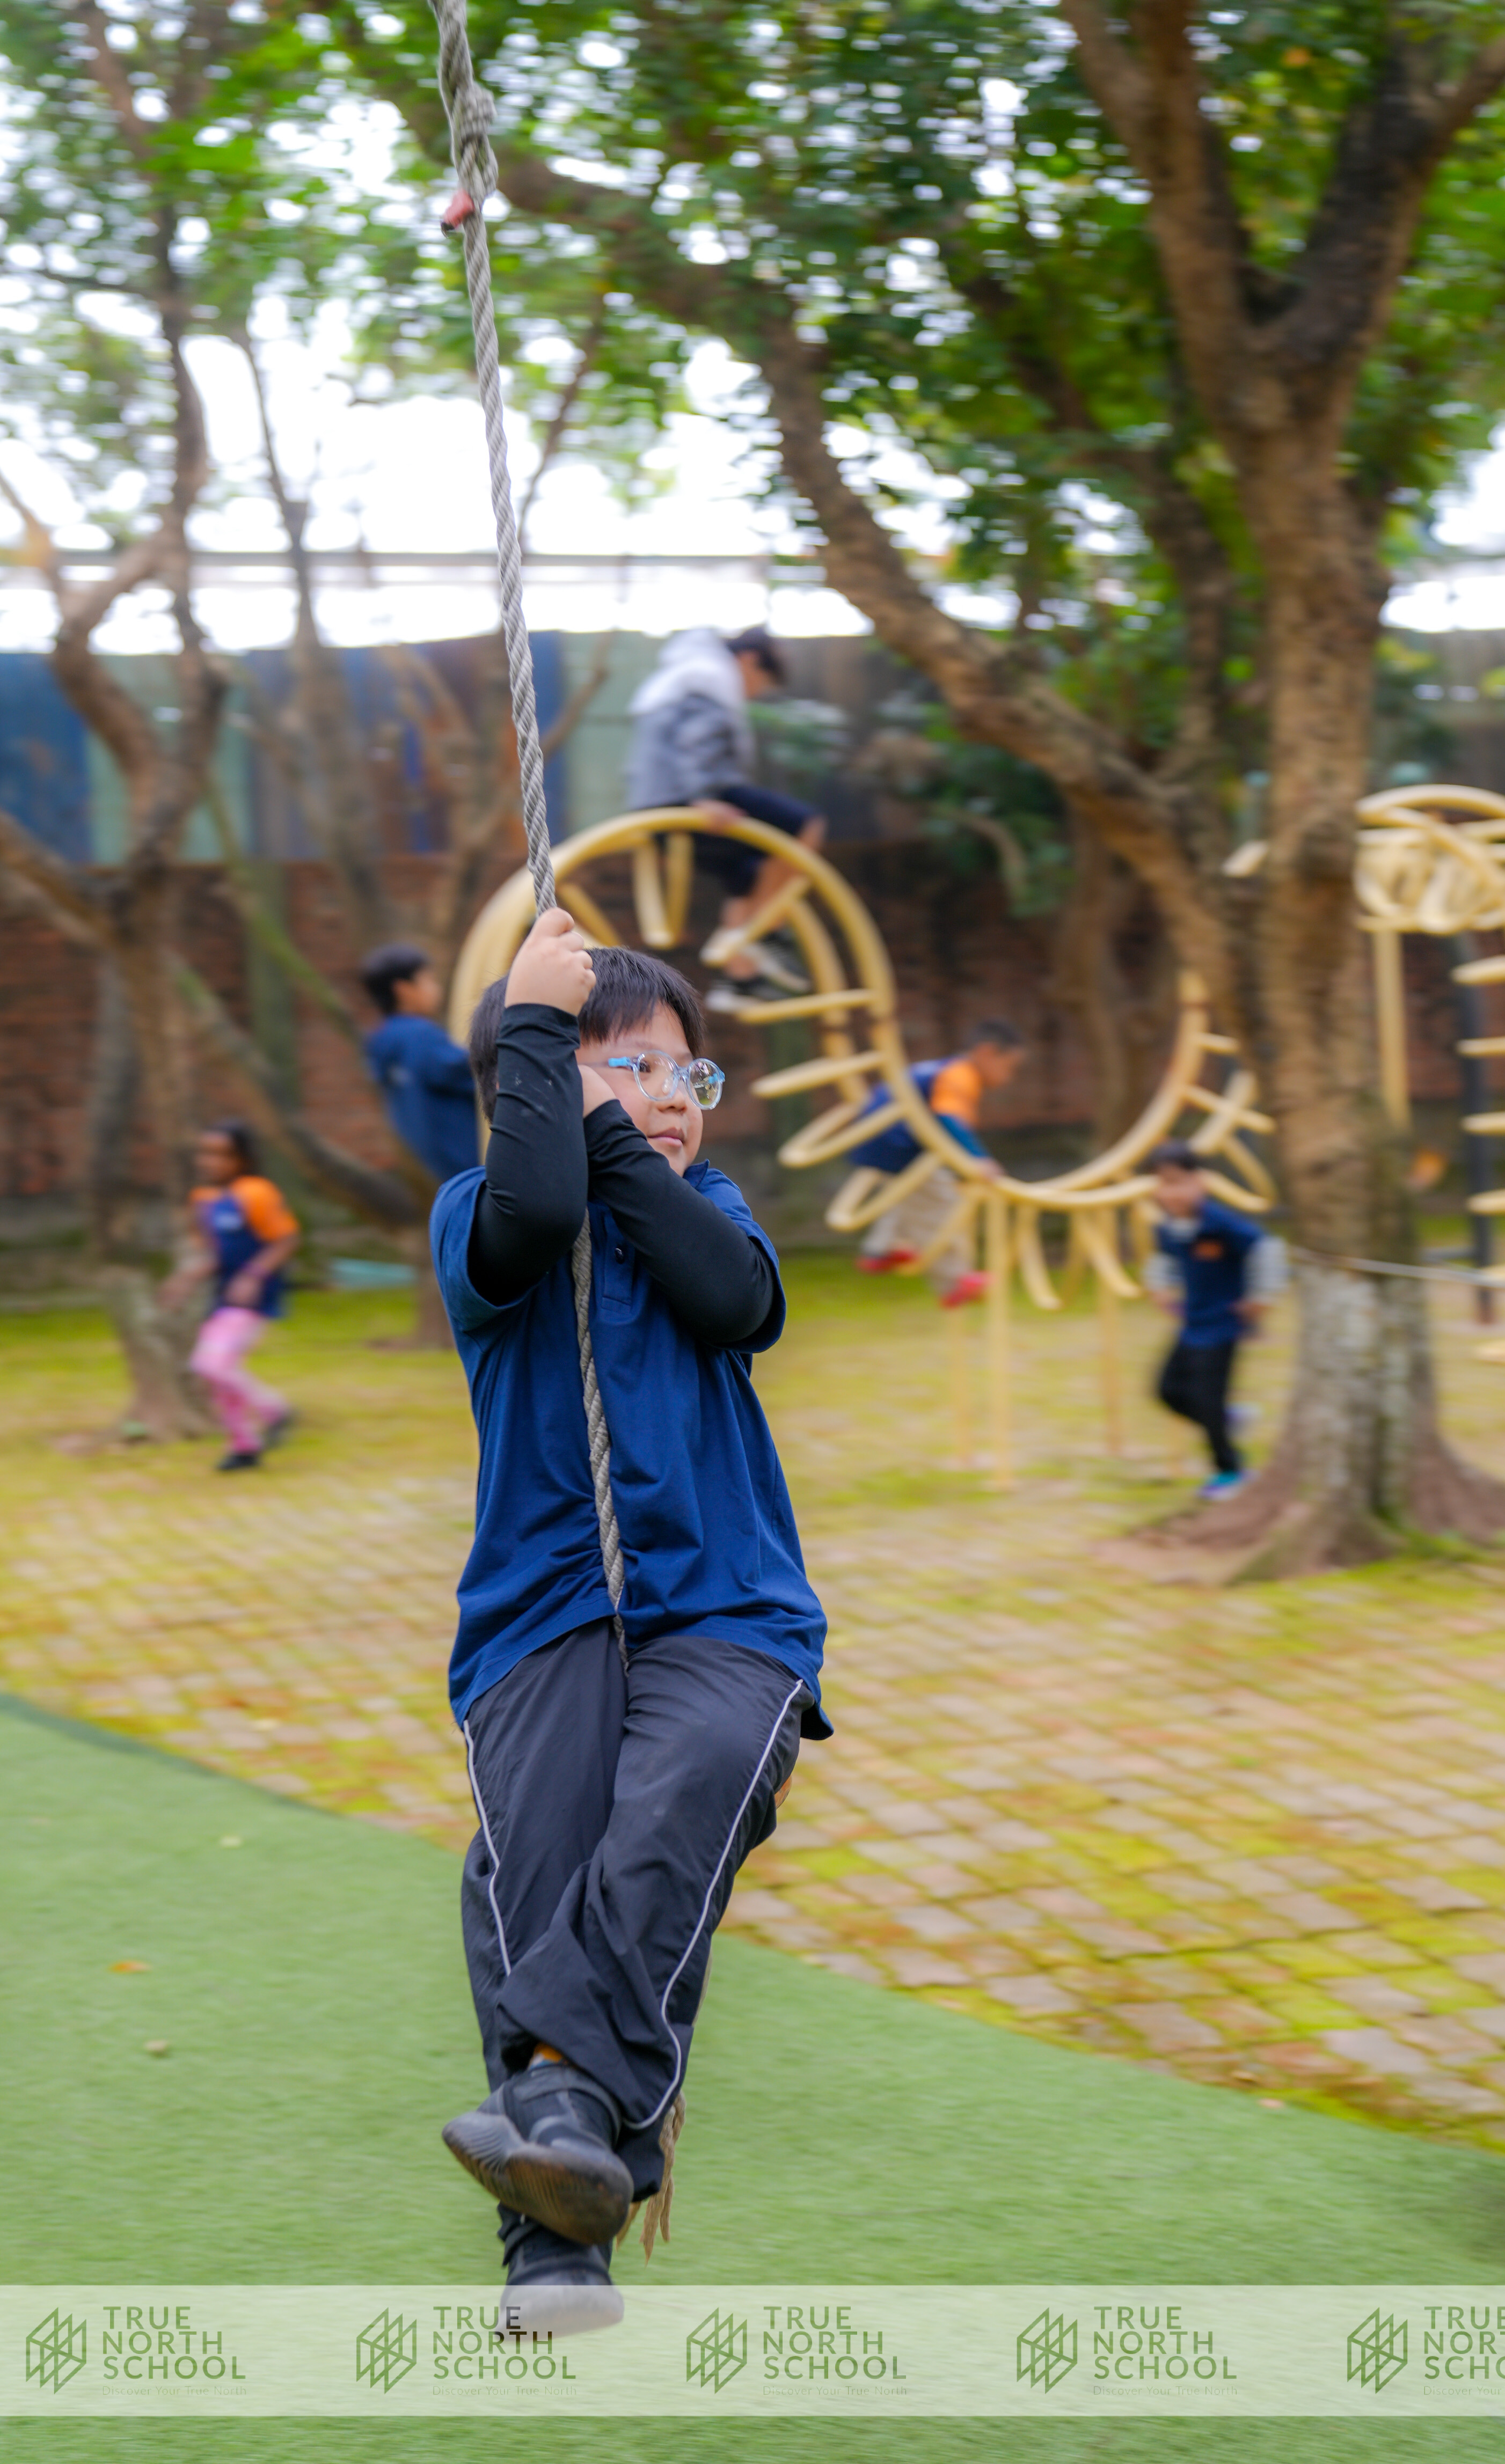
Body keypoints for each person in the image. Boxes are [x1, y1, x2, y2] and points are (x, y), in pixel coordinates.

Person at [430, 910, 829, 2328]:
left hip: (726, 1608)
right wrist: (538, 1035)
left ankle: (557, 2118)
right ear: (534, 1085)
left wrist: (595, 1101)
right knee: (539, 1865)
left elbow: (737, 1302)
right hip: (544, 1613)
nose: (670, 1098)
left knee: (683, 1792)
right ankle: (558, 2249)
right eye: (631, 1067)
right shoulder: (476, 1215)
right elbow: (540, 1217)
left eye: (685, 1074)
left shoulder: (706, 1209)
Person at [624, 624, 827, 1006]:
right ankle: (766, 934)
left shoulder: (678, 679)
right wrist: (701, 797)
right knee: (804, 825)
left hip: (656, 802)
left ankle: (741, 979)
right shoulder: (709, 677)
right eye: (761, 681)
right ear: (749, 660)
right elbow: (696, 741)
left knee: (749, 872)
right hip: (686, 797)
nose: (756, 693)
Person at [851, 1021, 1026, 1307]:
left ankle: (882, 1249)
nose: (1008, 1078)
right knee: (944, 1203)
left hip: (877, 1137)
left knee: (906, 1198)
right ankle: (954, 1282)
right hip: (901, 1144)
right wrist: (978, 1159)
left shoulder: (938, 1069)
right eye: (1009, 1067)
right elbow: (949, 1118)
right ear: (987, 1052)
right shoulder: (962, 1074)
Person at [163, 1120, 300, 1472]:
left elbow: (286, 1240)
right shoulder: (203, 1201)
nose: (211, 1162)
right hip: (224, 1298)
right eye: (206, 1153)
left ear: (243, 1159)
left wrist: (254, 1275)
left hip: (253, 1300)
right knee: (216, 1377)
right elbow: (215, 1255)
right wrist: (185, 1280)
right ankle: (243, 1447)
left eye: (222, 1155)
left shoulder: (256, 1192)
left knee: (212, 1365)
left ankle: (274, 1410)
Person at [1144, 1139, 1275, 1500]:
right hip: (1192, 1324)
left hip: (1223, 1326)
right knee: (1167, 1390)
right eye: (1163, 1184)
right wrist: (1160, 1286)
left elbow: (1265, 1248)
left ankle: (1231, 1471)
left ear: (1200, 1182)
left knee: (1207, 1398)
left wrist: (1261, 1297)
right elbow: (1165, 1259)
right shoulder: (1169, 1227)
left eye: (1178, 1182)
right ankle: (1229, 1418)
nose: (1170, 1193)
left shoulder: (1220, 1224)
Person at [360, 942, 481, 1184]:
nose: (437, 989)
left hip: (445, 1169)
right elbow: (480, 1074)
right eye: (429, 980)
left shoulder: (382, 1040)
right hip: (473, 1157)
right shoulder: (420, 1037)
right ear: (404, 989)